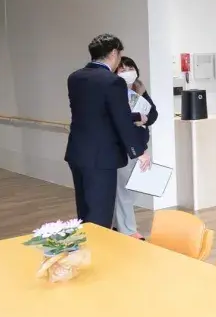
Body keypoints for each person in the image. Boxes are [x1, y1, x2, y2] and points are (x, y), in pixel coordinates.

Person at [65, 34, 150, 229]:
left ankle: (88, 244)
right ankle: (98, 247)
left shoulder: (75, 77)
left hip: (77, 153)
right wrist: (139, 151)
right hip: (101, 157)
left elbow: (97, 113)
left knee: (85, 212)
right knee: (100, 216)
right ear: (113, 53)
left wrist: (135, 117)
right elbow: (120, 119)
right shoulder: (112, 81)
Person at [114, 56, 158, 239]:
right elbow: (120, 118)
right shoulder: (115, 91)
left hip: (141, 146)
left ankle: (117, 224)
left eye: (130, 68)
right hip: (125, 147)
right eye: (122, 69)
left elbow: (153, 114)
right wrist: (138, 118)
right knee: (124, 190)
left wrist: (143, 119)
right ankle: (129, 230)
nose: (127, 72)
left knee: (136, 188)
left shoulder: (139, 88)